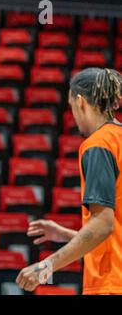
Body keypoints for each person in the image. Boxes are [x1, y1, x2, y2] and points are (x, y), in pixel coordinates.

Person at [16, 68, 122, 294]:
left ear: (81, 102)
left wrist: (45, 267)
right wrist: (65, 235)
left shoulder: (98, 144)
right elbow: (113, 234)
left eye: (72, 106)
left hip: (111, 284)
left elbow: (103, 225)